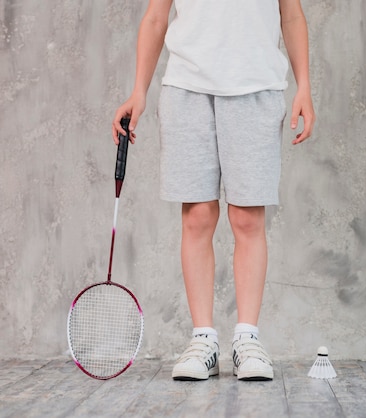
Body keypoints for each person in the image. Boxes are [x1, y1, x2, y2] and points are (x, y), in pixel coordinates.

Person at [112, 0, 315, 381]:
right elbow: (156, 16)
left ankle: (247, 340)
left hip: (256, 88)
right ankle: (203, 340)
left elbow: (291, 14)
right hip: (187, 89)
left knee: (247, 218)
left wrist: (304, 86)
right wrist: (139, 90)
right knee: (197, 217)